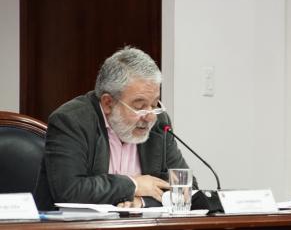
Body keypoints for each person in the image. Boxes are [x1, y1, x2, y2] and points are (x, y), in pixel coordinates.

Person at [34, 47, 196, 210]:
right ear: (108, 103)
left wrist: (142, 202)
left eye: (154, 104)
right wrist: (133, 185)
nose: (150, 116)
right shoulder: (71, 121)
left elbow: (186, 189)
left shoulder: (159, 123)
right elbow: (70, 190)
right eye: (140, 106)